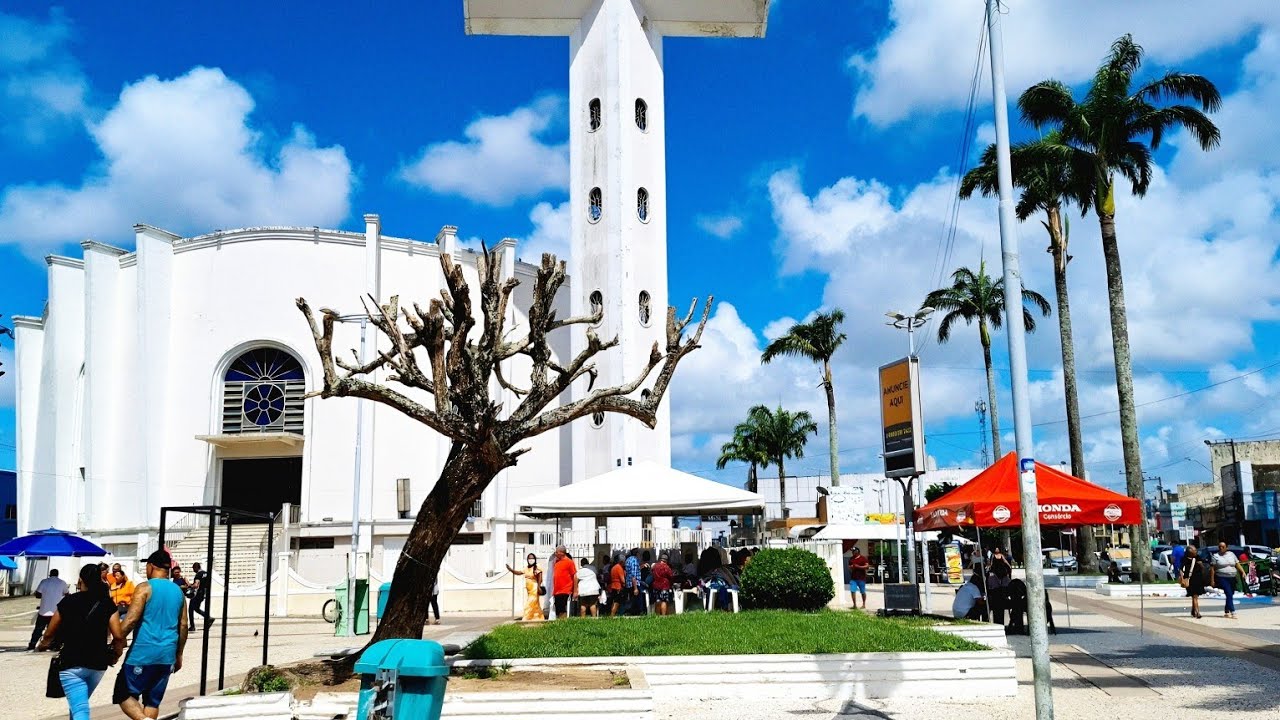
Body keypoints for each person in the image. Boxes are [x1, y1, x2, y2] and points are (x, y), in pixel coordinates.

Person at [36, 564, 127, 720]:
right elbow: (118, 636)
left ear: (81, 580)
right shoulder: (106, 603)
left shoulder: (68, 601)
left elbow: (50, 632)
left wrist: (43, 644)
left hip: (71, 662)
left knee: (80, 710)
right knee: (78, 705)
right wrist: (116, 654)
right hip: (97, 664)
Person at [115, 550, 188, 720]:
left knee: (123, 693)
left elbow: (131, 620)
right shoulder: (178, 592)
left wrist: (117, 641)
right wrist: (179, 654)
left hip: (142, 653)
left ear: (151, 566)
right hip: (167, 655)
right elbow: (183, 625)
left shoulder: (144, 588)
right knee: (152, 702)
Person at [29, 568, 69, 651]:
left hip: (44, 610)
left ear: (50, 574)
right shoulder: (62, 583)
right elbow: (67, 594)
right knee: (57, 630)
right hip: (56, 612)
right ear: (57, 574)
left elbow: (38, 594)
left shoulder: (44, 582)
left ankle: (32, 644)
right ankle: (56, 645)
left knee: (38, 629)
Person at [1210, 541, 1246, 619]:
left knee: (1231, 594)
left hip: (1232, 577)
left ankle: (1226, 610)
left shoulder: (1231, 554)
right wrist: (1212, 580)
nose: (1221, 548)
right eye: (1220, 547)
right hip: (1222, 577)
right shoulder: (1215, 556)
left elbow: (1237, 564)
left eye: (1223, 547)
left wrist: (1242, 572)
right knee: (1228, 593)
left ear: (1227, 547)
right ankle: (1233, 611)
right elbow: (1212, 569)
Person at [505, 553, 545, 621]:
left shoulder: (537, 567)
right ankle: (538, 617)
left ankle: (526, 618)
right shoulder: (526, 568)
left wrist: (538, 586)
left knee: (529, 603)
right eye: (529, 558)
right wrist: (511, 570)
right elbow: (519, 572)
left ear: (535, 559)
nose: (531, 560)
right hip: (529, 590)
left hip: (535, 589)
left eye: (532, 558)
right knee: (535, 604)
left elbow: (540, 578)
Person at [1179, 544, 1207, 619]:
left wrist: (1201, 565)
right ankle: (1197, 612)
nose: (1196, 552)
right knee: (1194, 596)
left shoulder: (1197, 558)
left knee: (1195, 596)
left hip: (1198, 579)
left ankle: (1193, 610)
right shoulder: (1184, 559)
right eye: (1194, 550)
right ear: (1189, 552)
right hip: (1189, 579)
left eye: (1196, 550)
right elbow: (1181, 569)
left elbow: (1203, 568)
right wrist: (1182, 578)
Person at [551, 546, 576, 619]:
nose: (555, 553)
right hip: (557, 590)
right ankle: (559, 622)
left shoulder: (569, 562)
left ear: (562, 553)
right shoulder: (556, 562)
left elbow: (574, 576)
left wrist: (575, 591)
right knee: (558, 609)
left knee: (562, 609)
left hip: (565, 589)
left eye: (556, 552)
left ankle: (563, 622)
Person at [188, 562, 211, 627]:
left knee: (190, 609)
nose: (193, 570)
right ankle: (208, 618)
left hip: (198, 594)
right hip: (204, 593)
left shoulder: (198, 574)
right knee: (196, 608)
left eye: (193, 568)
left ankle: (192, 626)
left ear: (195, 567)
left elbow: (196, 585)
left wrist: (189, 585)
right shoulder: (206, 573)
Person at [624, 548, 643, 615]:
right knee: (637, 603)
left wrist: (641, 567)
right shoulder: (634, 560)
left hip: (629, 583)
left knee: (632, 601)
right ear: (637, 553)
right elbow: (633, 575)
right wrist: (635, 588)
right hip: (634, 584)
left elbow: (628, 571)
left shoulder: (628, 560)